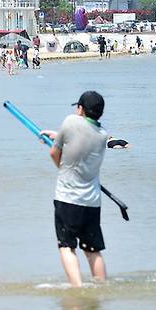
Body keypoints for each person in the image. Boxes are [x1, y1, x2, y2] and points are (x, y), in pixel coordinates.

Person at [39, 91, 109, 287]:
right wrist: (58, 136)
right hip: (92, 201)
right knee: (92, 250)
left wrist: (59, 147)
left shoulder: (70, 122)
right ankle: (102, 288)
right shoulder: (102, 136)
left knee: (67, 246)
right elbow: (81, 140)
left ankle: (77, 289)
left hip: (68, 198)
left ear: (81, 109)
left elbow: (55, 153)